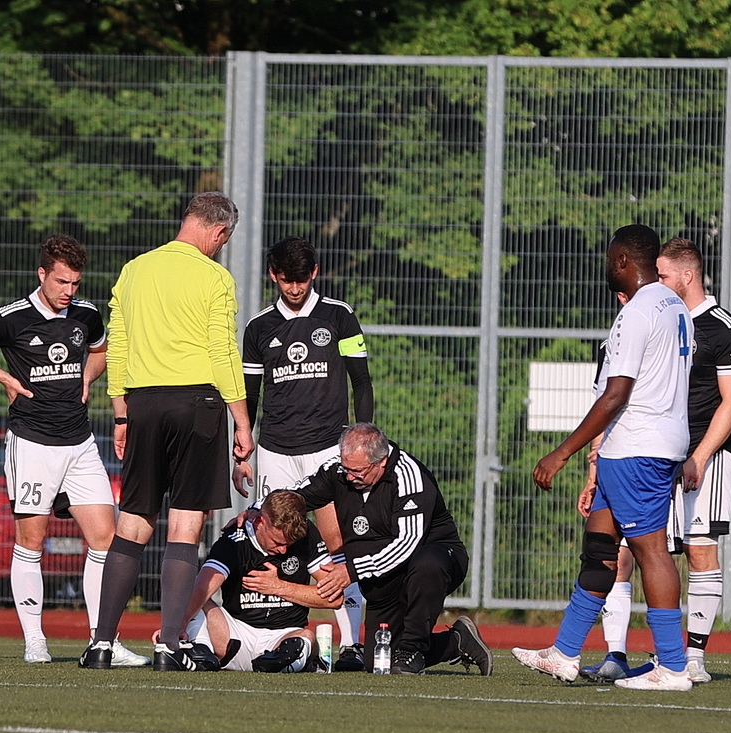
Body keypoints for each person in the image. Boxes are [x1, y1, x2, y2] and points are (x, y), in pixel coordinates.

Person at [0, 234, 149, 667]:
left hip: (81, 444)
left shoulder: (86, 314)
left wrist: (88, 376)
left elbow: (102, 350)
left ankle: (103, 641)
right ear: (42, 274)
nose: (69, 291)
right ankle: (35, 641)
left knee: (105, 539)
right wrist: (4, 377)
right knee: (32, 541)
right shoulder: (12, 317)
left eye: (75, 283)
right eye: (61, 282)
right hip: (33, 445)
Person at [512, 223, 695, 691]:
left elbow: (616, 394)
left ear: (622, 261)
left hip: (638, 447)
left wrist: (562, 453)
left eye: (610, 256)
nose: (607, 263)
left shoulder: (638, 310)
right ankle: (565, 652)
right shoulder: (675, 305)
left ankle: (673, 667)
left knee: (650, 550)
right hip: (634, 446)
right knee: (599, 545)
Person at [79, 191, 255, 670]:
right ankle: (169, 646)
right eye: (223, 240)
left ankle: (101, 644)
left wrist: (121, 413)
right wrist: (242, 423)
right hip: (198, 403)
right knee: (185, 524)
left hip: (143, 404)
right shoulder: (215, 277)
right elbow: (223, 352)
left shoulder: (134, 270)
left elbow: (117, 347)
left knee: (133, 522)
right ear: (219, 231)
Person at [580, 237, 731, 685]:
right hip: (650, 454)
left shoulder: (723, 329)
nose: (654, 282)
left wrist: (700, 456)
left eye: (663, 275)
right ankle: (616, 654)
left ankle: (691, 658)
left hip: (703, 455)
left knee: (699, 548)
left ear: (687, 276)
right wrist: (596, 464)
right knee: (625, 551)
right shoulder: (652, 317)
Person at [233, 235, 374, 671]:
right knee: (270, 538)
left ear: (315, 273)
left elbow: (362, 382)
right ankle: (268, 636)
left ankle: (351, 645)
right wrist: (242, 452)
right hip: (275, 452)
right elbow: (249, 396)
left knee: (338, 543)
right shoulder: (259, 327)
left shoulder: (339, 316)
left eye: (302, 279)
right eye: (285, 280)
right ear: (273, 276)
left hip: (327, 450)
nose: (294, 288)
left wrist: (364, 438)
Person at [293, 422, 493, 676]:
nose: (349, 476)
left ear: (382, 462)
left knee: (427, 564)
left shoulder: (409, 476)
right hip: (382, 578)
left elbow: (406, 544)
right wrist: (259, 512)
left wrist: (351, 571)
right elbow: (294, 496)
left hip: (432, 561)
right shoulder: (339, 470)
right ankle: (456, 641)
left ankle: (412, 646)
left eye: (358, 471)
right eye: (346, 468)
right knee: (379, 661)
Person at [176, 490, 340, 673]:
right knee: (191, 590)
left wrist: (280, 587)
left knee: (306, 638)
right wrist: (177, 626)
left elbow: (334, 598)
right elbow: (203, 585)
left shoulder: (307, 535)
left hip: (284, 637)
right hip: (234, 635)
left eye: (289, 544)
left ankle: (280, 662)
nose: (284, 550)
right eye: (278, 542)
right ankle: (201, 652)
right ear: (259, 522)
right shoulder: (235, 540)